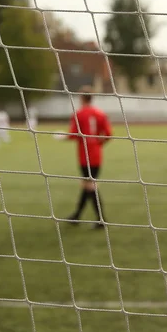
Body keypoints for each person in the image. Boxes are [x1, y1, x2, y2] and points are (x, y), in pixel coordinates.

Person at [65, 89, 112, 229]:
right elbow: (108, 134)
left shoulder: (78, 114)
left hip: (84, 156)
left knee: (90, 186)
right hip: (96, 155)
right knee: (87, 185)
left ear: (81, 98)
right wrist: (98, 144)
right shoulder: (100, 113)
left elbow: (73, 134)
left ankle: (101, 219)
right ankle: (77, 216)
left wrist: (62, 137)